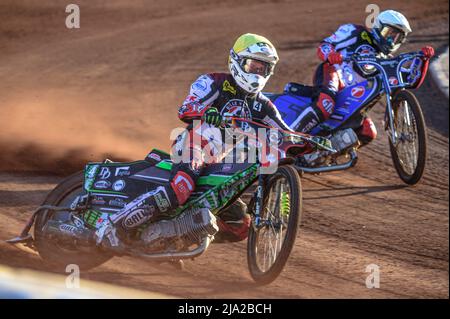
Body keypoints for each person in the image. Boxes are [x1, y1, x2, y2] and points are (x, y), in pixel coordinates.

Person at [96, 33, 294, 247]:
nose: (257, 73)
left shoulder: (264, 106)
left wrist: (311, 142)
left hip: (220, 163)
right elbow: (186, 108)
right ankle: (113, 225)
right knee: (181, 188)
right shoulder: (214, 82)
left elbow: (285, 133)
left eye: (262, 69)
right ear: (236, 61)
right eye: (252, 66)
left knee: (240, 225)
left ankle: (172, 241)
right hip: (193, 145)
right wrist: (206, 112)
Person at [293, 9, 435, 145]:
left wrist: (423, 61)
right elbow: (325, 45)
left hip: (351, 99)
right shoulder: (356, 32)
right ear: (378, 27)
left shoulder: (387, 61)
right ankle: (292, 135)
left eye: (397, 38)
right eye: (389, 33)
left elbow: (411, 81)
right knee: (325, 104)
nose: (391, 41)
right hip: (333, 73)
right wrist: (330, 54)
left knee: (368, 132)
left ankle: (323, 154)